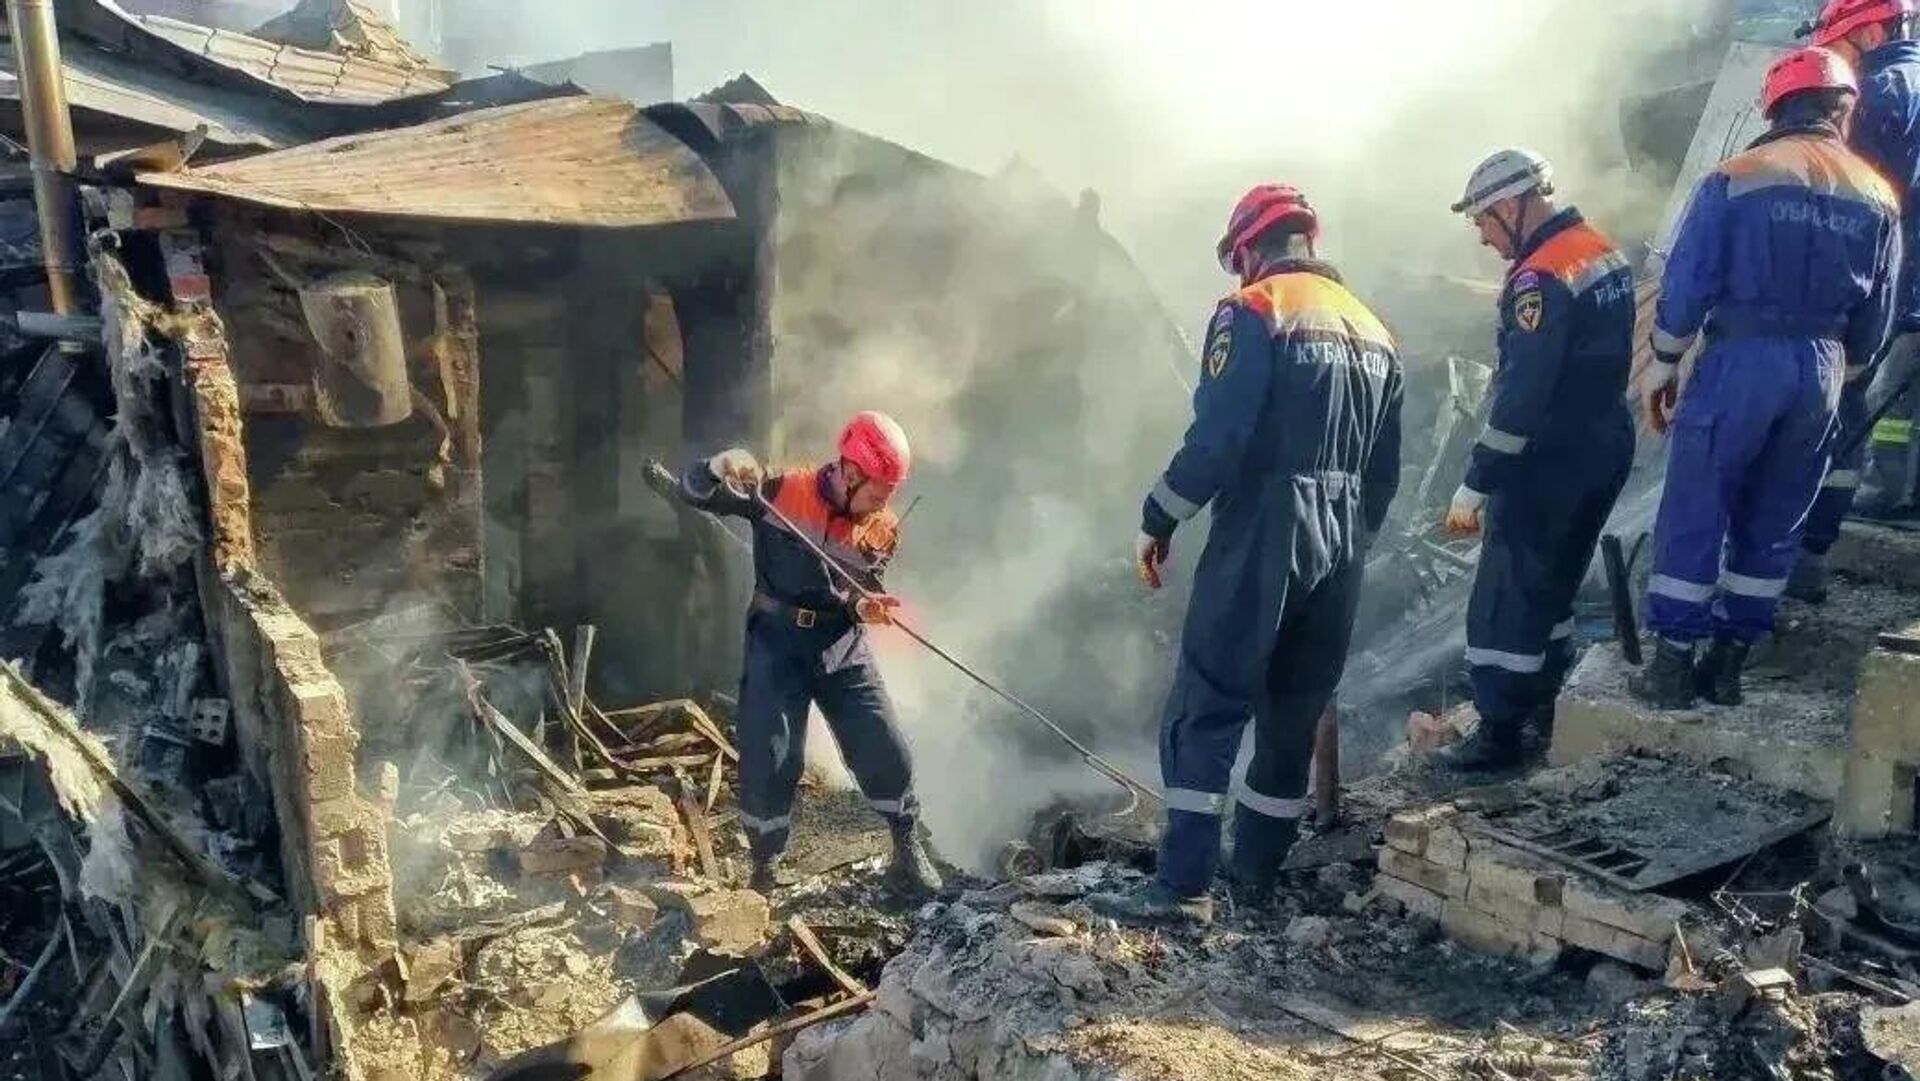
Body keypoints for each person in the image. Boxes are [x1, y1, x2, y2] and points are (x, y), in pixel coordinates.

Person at [1092, 184, 1404, 925]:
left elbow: (1219, 437)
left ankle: (1183, 888)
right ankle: (1255, 878)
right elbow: (1385, 473)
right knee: (1292, 713)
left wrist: (1159, 515)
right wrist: (1349, 541)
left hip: (1266, 525)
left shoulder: (1254, 309)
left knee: (1206, 703)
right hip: (1343, 540)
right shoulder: (1376, 331)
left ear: (1247, 250)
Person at [1638, 47, 1902, 707]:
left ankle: (1673, 667)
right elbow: (1879, 314)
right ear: (1844, 111)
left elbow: (1689, 281)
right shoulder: (1879, 195)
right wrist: (1843, 367)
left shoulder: (1738, 176)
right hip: (1823, 367)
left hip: (1741, 360)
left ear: (1775, 107)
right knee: (1779, 514)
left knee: (1699, 502)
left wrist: (1664, 360)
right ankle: (1728, 665)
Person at [678, 412, 942, 896]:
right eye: (878, 492)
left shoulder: (882, 529)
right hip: (776, 642)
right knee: (771, 754)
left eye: (890, 493)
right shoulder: (781, 490)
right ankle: (765, 867)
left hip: (841, 645)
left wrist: (865, 607)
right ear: (851, 471)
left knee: (883, 743)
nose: (884, 504)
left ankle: (907, 846)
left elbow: (858, 592)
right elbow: (693, 491)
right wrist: (717, 466)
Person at [1433, 149, 1637, 772]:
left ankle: (1498, 734)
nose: (1483, 237)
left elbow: (1523, 396)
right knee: (1553, 589)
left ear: (1509, 206)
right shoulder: (1599, 250)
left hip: (1549, 459)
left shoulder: (1539, 278)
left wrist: (1476, 482)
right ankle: (1543, 707)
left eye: (1483, 222)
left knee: (1507, 597)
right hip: (1603, 443)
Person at [1791, 0, 1920, 602]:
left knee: (1866, 407)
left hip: (1891, 284)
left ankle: (1878, 497)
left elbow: (1859, 200)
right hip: (1907, 280)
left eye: (1838, 45)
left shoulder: (1881, 91)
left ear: (1870, 31)